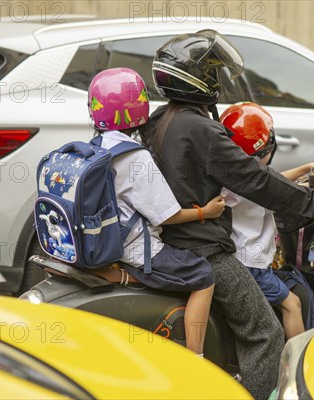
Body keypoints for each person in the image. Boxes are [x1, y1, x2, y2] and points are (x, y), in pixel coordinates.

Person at [140, 30, 314, 399]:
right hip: (204, 247)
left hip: (169, 239)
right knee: (265, 332)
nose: (218, 82)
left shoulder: (162, 119)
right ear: (200, 80)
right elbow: (255, 180)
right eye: (214, 75)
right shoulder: (202, 129)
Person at [86, 67, 225, 357]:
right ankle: (196, 358)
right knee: (204, 276)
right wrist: (206, 213)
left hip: (103, 240)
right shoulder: (135, 156)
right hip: (136, 250)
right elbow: (167, 216)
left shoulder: (95, 147)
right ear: (140, 107)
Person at [219, 102, 314, 340]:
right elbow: (279, 192)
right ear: (264, 150)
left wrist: (307, 170)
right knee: (293, 305)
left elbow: (272, 182)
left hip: (240, 260)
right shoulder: (253, 186)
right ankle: (294, 361)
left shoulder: (235, 176)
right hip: (251, 265)